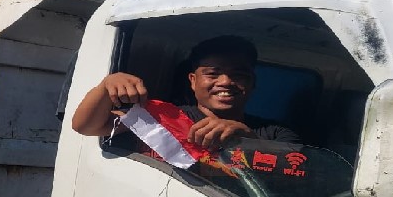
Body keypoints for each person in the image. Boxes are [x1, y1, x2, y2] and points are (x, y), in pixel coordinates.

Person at [71, 34, 300, 152]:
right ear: (193, 81)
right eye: (213, 73)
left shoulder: (275, 134)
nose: (226, 82)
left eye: (239, 75)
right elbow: (86, 126)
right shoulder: (162, 118)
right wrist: (105, 86)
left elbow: (299, 165)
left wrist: (246, 138)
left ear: (253, 83)